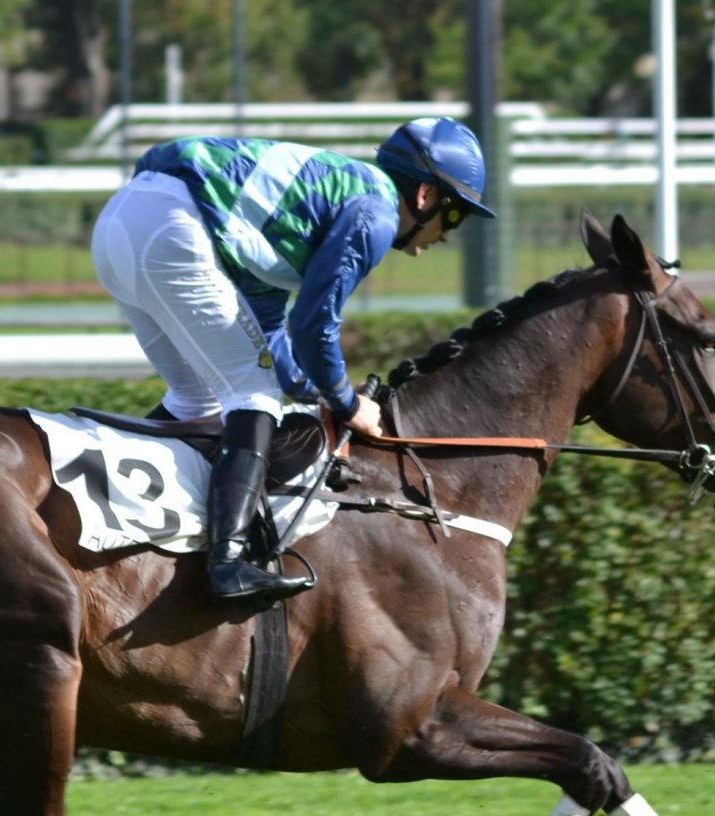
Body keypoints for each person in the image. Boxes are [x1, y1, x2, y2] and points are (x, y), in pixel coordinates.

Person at [91, 116, 495, 604]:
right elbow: (313, 324)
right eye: (455, 216)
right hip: (169, 227)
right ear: (426, 195)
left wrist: (314, 390)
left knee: (196, 396)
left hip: (121, 222)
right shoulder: (376, 213)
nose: (447, 235)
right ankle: (228, 565)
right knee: (253, 393)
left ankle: (112, 512)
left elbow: (269, 329)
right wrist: (346, 404)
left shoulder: (319, 206)